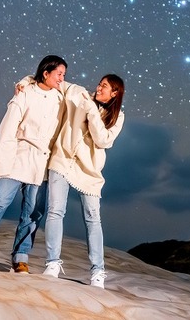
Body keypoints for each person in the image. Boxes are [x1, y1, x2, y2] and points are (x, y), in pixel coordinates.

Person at [0, 55, 67, 273]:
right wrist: (3, 163)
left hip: (42, 162)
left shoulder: (60, 98)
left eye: (64, 74)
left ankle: (20, 257)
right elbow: (7, 129)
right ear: (46, 73)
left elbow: (77, 93)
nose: (62, 79)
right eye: (59, 74)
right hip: (19, 156)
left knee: (33, 212)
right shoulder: (25, 94)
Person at [40, 74, 125, 289]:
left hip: (89, 172)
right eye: (99, 83)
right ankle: (52, 263)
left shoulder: (118, 117)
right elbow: (51, 80)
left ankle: (97, 272)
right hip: (62, 159)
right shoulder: (80, 94)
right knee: (55, 211)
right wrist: (23, 84)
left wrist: (92, 112)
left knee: (92, 219)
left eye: (104, 86)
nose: (99, 87)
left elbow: (103, 140)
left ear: (115, 92)